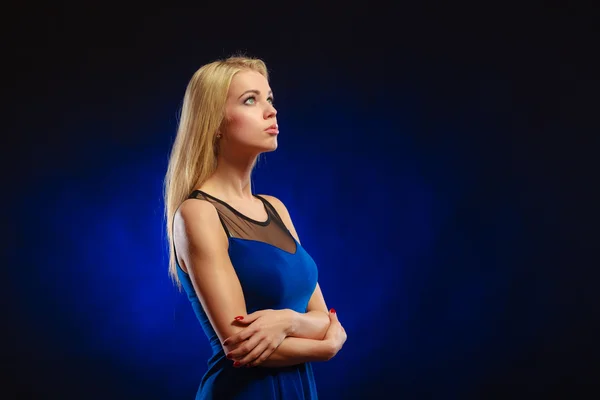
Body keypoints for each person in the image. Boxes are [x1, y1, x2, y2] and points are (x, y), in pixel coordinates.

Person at [163, 55, 347, 399]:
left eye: (269, 99)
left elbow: (322, 317)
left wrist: (287, 322)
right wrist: (325, 347)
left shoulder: (275, 208)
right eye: (251, 100)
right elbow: (242, 346)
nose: (271, 110)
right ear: (214, 122)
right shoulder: (198, 213)